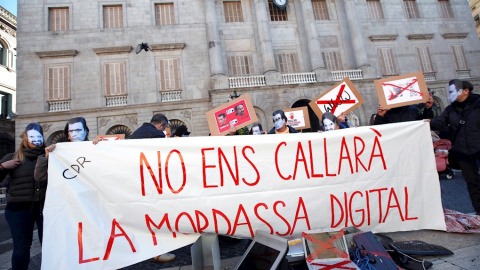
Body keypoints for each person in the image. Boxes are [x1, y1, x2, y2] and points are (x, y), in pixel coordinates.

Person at [0, 123, 53, 270]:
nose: (35, 140)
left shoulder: (50, 156)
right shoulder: (12, 157)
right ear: (25, 138)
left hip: (44, 208)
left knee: (50, 245)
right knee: (21, 248)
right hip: (18, 209)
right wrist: (3, 167)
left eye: (39, 136)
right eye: (32, 136)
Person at [426, 80, 480, 215]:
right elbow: (440, 122)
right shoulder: (451, 109)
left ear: (466, 91)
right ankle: (479, 210)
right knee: (472, 184)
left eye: (452, 91)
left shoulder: (478, 104)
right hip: (463, 152)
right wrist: (429, 121)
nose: (451, 94)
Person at [129, 113, 176, 262]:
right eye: (165, 128)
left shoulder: (136, 133)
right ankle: (158, 252)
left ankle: (149, 250)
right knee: (157, 217)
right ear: (161, 125)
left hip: (137, 182)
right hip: (152, 183)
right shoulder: (156, 134)